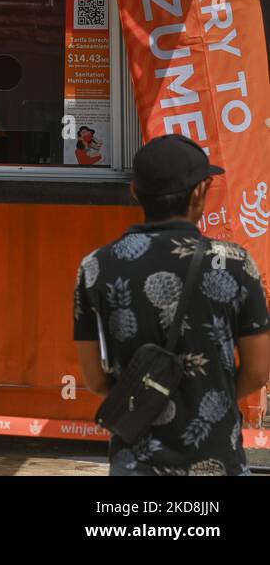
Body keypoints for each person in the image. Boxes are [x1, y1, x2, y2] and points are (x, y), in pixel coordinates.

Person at [73, 135, 270, 476]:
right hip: (218, 459)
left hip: (135, 463)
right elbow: (258, 371)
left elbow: (94, 380)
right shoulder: (236, 264)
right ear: (199, 192)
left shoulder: (96, 267)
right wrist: (213, 399)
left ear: (135, 192)